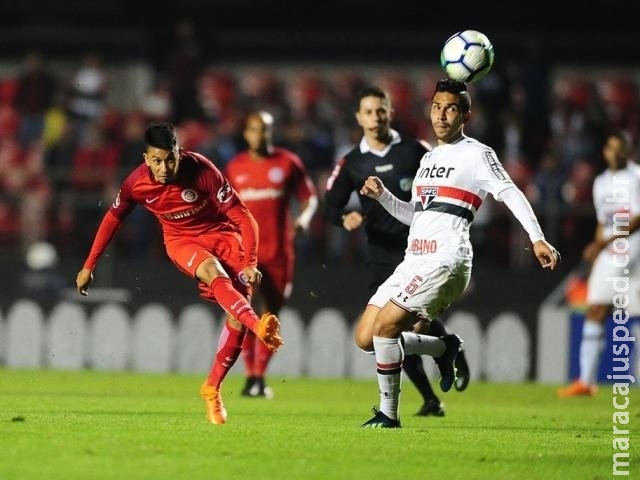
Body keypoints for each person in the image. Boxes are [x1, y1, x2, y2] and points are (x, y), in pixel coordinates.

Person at [357, 78, 560, 428]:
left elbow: (510, 192)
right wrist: (383, 197)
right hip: (414, 259)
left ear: (465, 114)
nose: (441, 115)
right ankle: (444, 347)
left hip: (446, 258)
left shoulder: (477, 154)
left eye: (451, 108)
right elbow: (415, 214)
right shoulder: (429, 159)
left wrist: (537, 237)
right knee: (366, 338)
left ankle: (388, 415)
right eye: (437, 107)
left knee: (387, 328)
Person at [75, 122, 283, 425]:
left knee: (235, 315)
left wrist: (250, 262)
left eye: (170, 159)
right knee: (213, 273)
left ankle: (211, 388)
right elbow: (112, 218)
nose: (164, 167)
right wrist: (88, 265)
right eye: (157, 161)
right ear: (146, 159)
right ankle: (259, 326)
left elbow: (242, 215)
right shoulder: (135, 184)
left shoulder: (203, 171)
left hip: (223, 236)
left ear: (179, 152)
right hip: (181, 241)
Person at [324, 85, 470, 417]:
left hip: (420, 251)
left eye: (381, 110)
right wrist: (344, 216)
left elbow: (446, 188)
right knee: (380, 333)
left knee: (406, 327)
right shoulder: (351, 162)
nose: (375, 117)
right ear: (358, 117)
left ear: (390, 112)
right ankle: (432, 393)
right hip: (379, 254)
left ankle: (438, 361)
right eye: (368, 112)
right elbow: (329, 206)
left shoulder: (415, 152)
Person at [225, 111, 318, 398]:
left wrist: (303, 220)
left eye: (264, 130)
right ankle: (253, 377)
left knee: (270, 316)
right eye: (254, 130)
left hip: (278, 253)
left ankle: (258, 376)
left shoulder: (288, 163)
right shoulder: (234, 167)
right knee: (241, 314)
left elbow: (310, 198)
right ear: (246, 133)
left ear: (271, 132)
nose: (259, 135)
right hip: (244, 255)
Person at [557, 130, 640, 397]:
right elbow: (603, 223)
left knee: (635, 315)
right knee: (595, 310)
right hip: (608, 251)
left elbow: (638, 218)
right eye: (611, 148)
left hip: (635, 249)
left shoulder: (636, 177)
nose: (615, 153)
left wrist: (603, 244)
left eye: (620, 148)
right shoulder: (601, 183)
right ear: (605, 152)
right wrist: (596, 250)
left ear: (627, 151)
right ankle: (586, 382)